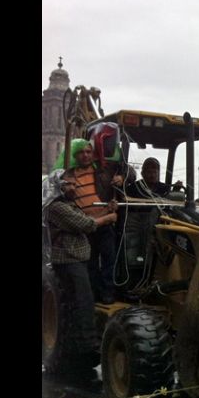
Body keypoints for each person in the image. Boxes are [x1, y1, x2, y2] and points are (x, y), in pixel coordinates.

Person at [46, 171, 118, 357]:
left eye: (75, 185)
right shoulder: (57, 208)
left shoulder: (69, 205)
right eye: (69, 184)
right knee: (83, 303)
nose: (73, 188)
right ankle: (88, 347)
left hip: (78, 260)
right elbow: (85, 225)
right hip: (69, 261)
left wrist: (107, 210)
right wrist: (108, 219)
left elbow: (88, 219)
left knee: (82, 301)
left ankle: (80, 343)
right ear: (58, 185)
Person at [63, 139, 134, 304]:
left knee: (109, 259)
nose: (85, 155)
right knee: (91, 262)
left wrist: (122, 177)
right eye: (81, 152)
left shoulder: (104, 169)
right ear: (76, 155)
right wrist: (67, 189)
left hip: (105, 221)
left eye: (88, 152)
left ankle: (108, 292)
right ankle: (94, 294)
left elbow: (130, 171)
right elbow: (58, 191)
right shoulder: (68, 174)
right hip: (84, 225)